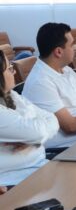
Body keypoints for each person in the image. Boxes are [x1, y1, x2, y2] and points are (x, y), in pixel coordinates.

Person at [0, 48, 59, 187]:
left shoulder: (11, 95)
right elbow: (39, 132)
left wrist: (32, 139)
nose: (13, 72)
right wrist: (35, 136)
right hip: (15, 184)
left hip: (39, 169)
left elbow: (52, 119)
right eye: (9, 69)